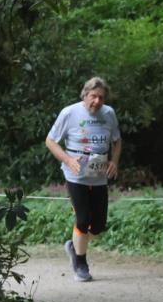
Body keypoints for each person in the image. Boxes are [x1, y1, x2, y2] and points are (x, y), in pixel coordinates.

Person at [45, 77, 121, 282]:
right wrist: (68, 160)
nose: (97, 101)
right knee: (83, 219)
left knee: (98, 226)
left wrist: (114, 161)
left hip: (99, 175)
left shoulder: (109, 114)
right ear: (85, 95)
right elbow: (50, 141)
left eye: (101, 98)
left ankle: (73, 244)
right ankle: (80, 263)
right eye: (93, 96)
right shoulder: (69, 113)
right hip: (75, 174)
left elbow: (117, 141)